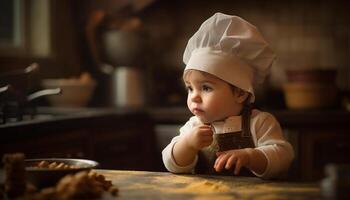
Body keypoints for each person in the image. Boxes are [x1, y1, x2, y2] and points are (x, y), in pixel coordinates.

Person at [162, 13, 294, 179]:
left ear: (240, 93)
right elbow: (171, 163)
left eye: (206, 88)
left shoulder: (260, 123)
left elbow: (283, 158)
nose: (194, 96)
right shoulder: (193, 126)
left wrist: (250, 156)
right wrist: (187, 144)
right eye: (190, 88)